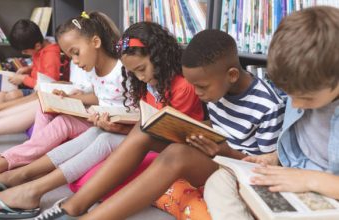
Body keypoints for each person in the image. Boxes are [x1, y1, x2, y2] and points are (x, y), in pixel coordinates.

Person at [37, 28, 284, 220]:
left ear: (231, 74)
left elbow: (262, 169)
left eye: (201, 87)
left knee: (176, 154)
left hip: (234, 170)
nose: (197, 93)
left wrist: (225, 151)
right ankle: (75, 204)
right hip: (214, 153)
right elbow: (220, 126)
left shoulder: (267, 106)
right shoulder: (216, 87)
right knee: (145, 127)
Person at [203, 6, 339, 220]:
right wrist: (273, 158)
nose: (295, 103)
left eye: (306, 98)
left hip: (327, 191)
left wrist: (308, 180)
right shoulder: (306, 86)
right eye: (289, 94)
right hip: (292, 177)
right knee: (219, 183)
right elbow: (301, 145)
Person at [0, 11, 121, 181]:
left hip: (108, 123)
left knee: (62, 122)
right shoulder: (93, 69)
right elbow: (99, 97)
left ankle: (7, 162)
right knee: (44, 106)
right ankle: (21, 157)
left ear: (96, 42)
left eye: (76, 53)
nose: (75, 62)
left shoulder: (121, 70)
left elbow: (131, 109)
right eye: (70, 56)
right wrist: (69, 98)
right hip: (95, 115)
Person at [0, 19, 61, 105]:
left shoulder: (51, 55)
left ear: (37, 46)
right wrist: (28, 69)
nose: (23, 53)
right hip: (33, 83)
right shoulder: (39, 48)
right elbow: (40, 65)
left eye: (25, 51)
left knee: (12, 96)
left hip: (41, 90)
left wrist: (23, 79)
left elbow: (50, 84)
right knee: (0, 89)